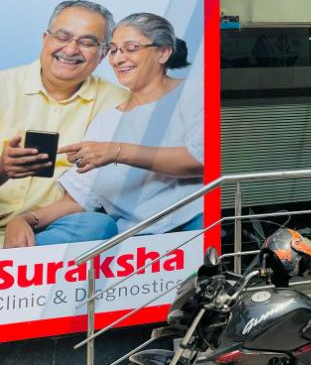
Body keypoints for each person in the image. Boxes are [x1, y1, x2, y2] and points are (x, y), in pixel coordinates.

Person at [4, 13, 203, 248]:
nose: (118, 59)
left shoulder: (194, 93)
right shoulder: (107, 120)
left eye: (131, 48)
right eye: (114, 50)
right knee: (96, 224)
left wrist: (117, 152)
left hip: (193, 221)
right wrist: (25, 219)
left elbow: (202, 158)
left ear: (163, 52)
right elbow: (79, 199)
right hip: (134, 239)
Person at [0, 0, 128, 247]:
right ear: (45, 39)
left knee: (98, 225)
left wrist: (29, 220)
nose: (70, 50)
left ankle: (19, 263)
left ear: (103, 53)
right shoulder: (3, 86)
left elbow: (103, 193)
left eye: (87, 42)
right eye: (62, 37)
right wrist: (3, 169)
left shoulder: (120, 104)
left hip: (49, 232)